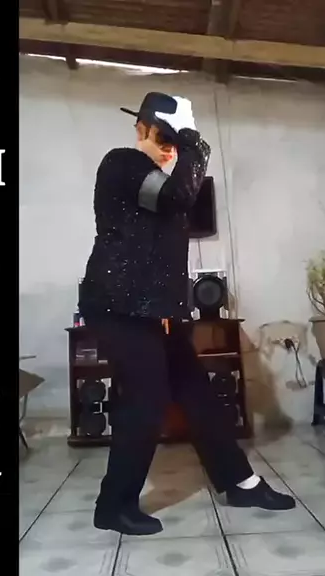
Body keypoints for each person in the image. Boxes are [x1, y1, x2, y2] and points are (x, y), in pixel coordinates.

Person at [79, 92, 295, 536]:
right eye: (166, 138)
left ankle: (241, 483)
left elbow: (164, 237)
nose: (171, 149)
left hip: (150, 310)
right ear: (142, 129)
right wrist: (194, 138)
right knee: (147, 398)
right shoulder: (122, 163)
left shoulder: (155, 183)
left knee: (196, 392)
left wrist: (168, 308)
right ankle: (113, 505)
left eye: (176, 142)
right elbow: (178, 195)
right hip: (116, 306)